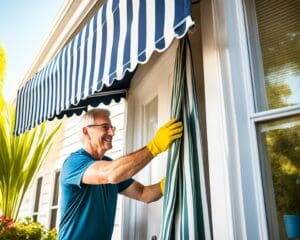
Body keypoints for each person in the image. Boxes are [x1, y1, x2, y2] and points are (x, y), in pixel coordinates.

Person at [58, 108, 183, 240]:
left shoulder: (109, 165)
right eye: (105, 127)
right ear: (86, 131)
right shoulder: (74, 163)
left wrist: (169, 181)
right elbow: (111, 174)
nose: (112, 132)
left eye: (112, 128)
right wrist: (155, 146)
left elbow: (144, 194)